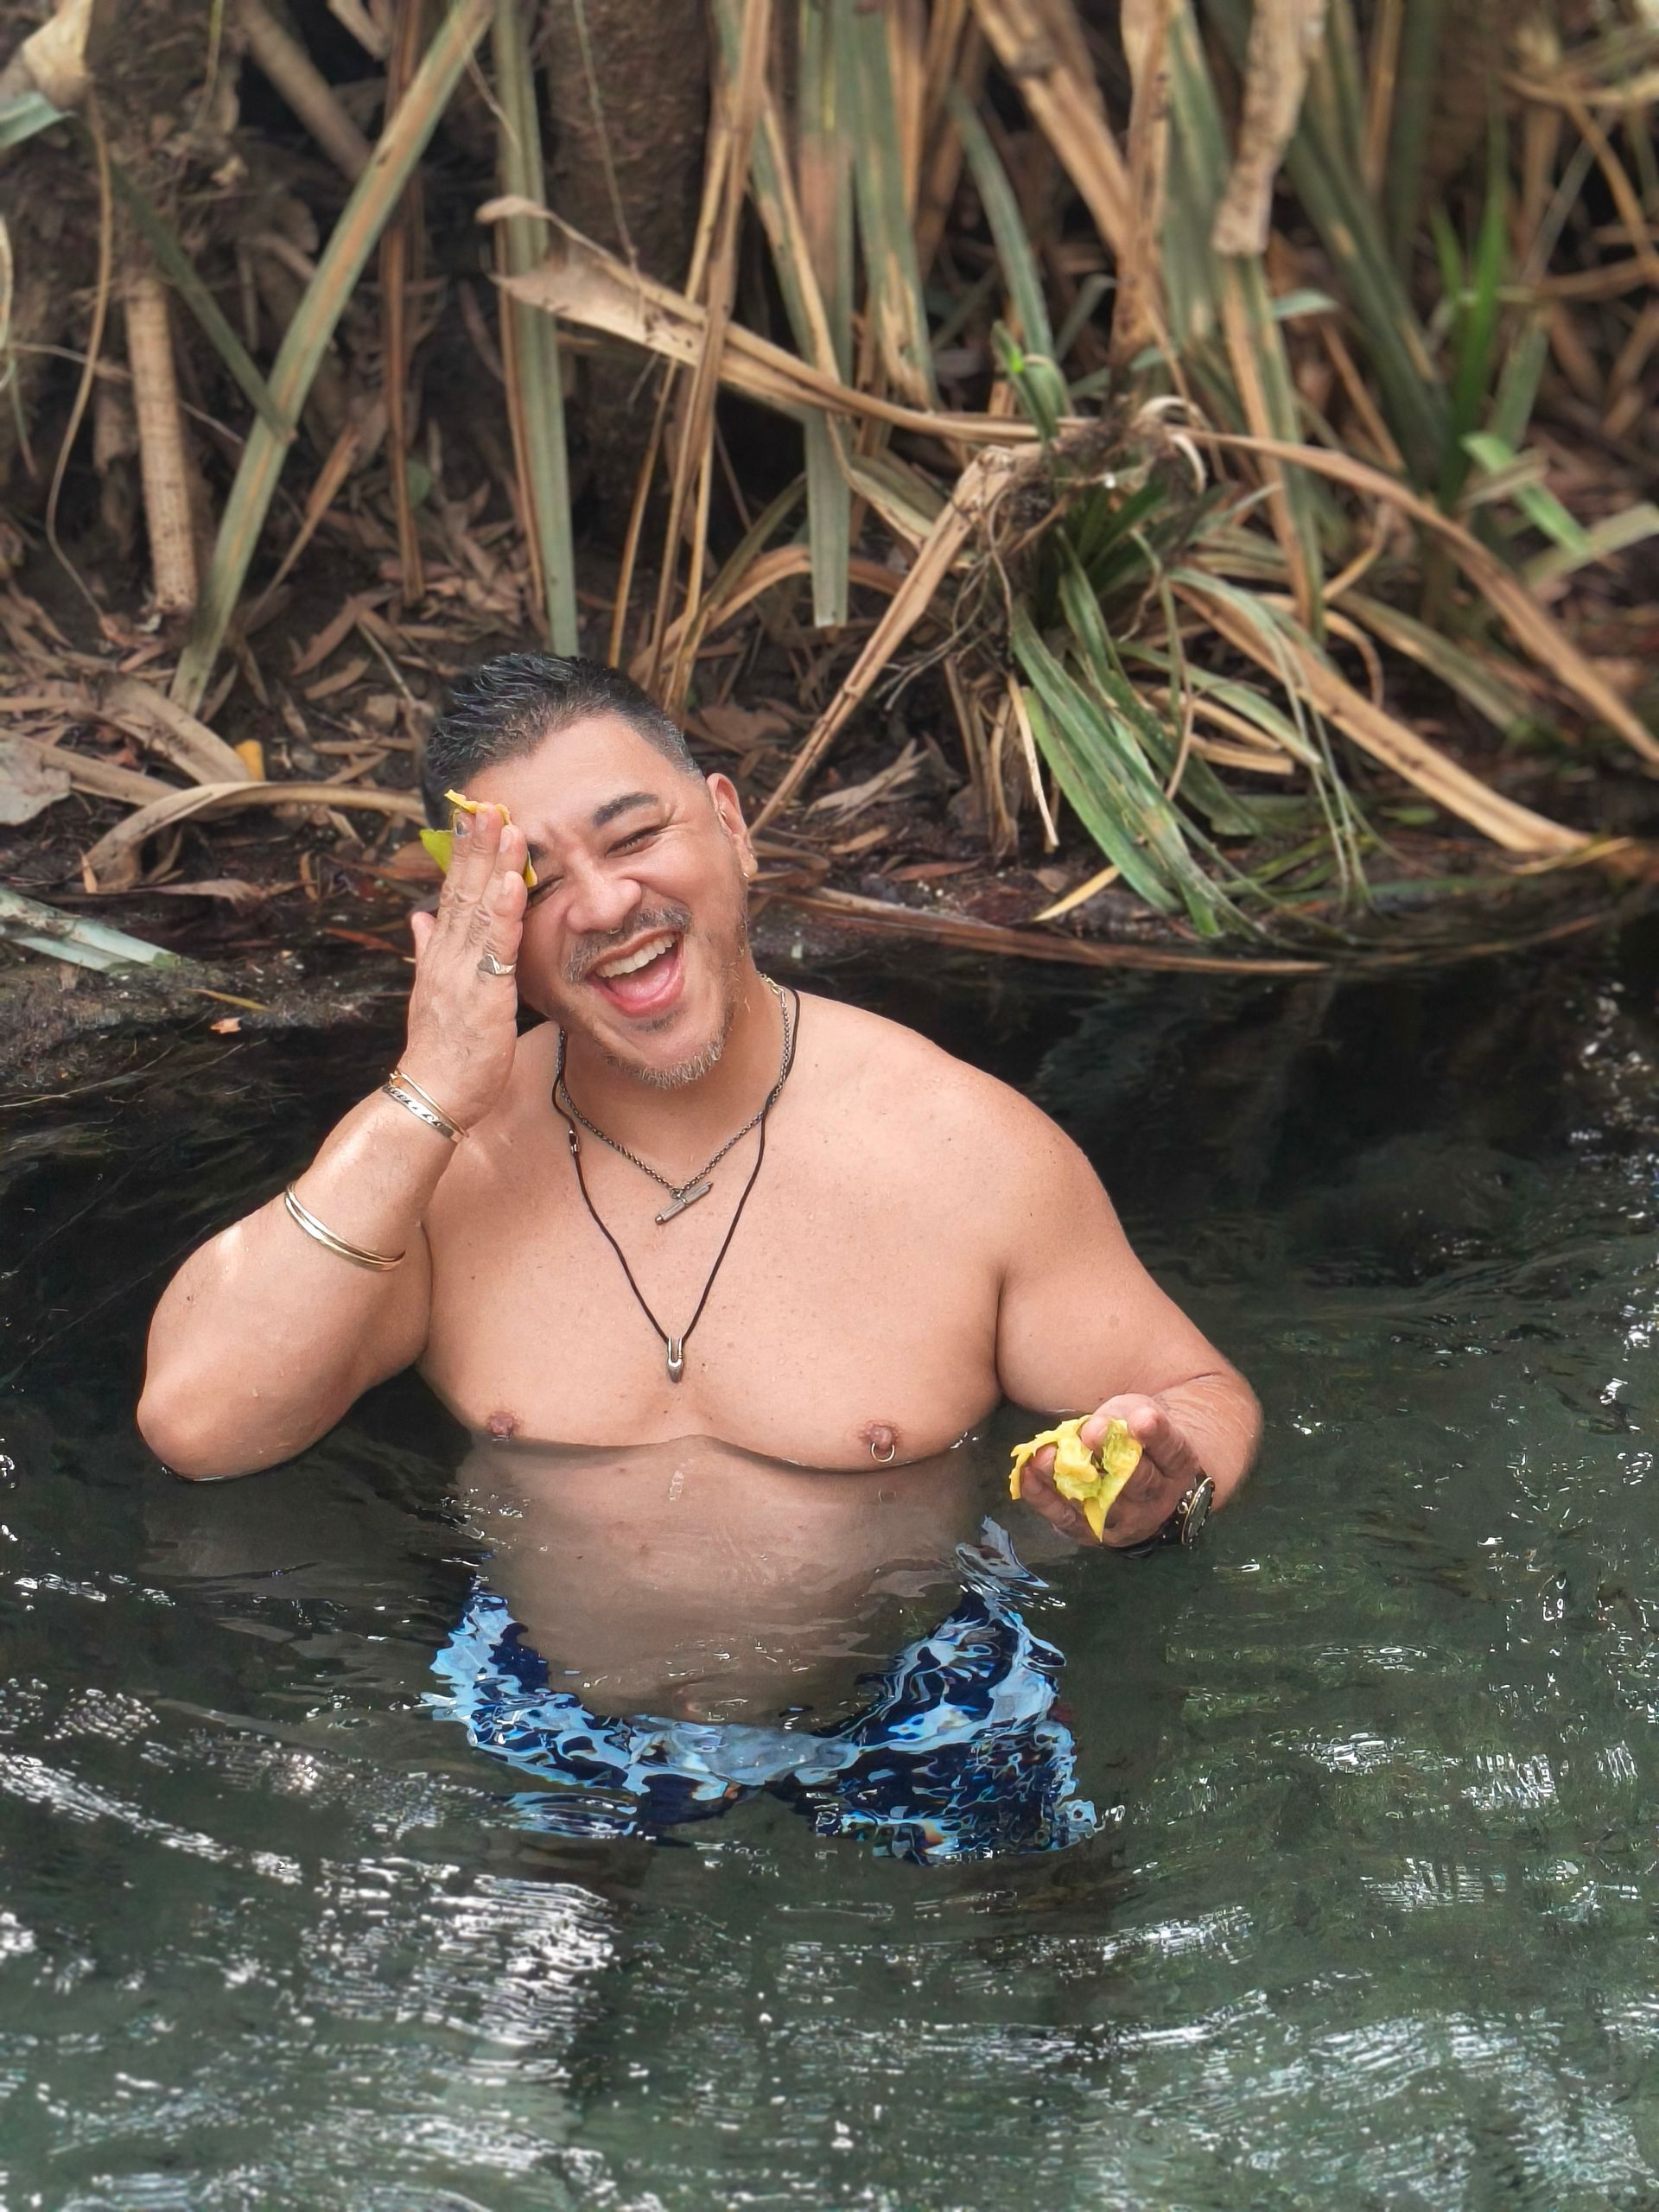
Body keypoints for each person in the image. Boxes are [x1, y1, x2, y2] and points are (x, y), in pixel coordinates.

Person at [138, 653, 1260, 1554]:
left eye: (636, 837)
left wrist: (1166, 1485)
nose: (604, 903)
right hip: (535, 1730)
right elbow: (199, 1428)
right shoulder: (441, 1168)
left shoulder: (961, 1146)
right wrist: (428, 1091)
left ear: (729, 821)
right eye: (537, 881)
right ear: (482, 916)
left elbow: (1197, 1391)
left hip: (918, 1707)